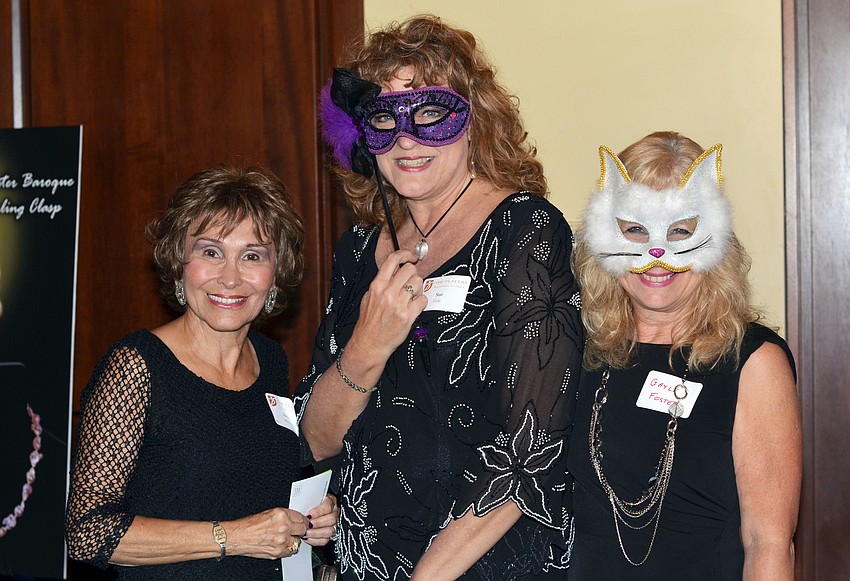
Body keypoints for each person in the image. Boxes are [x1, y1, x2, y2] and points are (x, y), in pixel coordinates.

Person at [296, 14, 583, 581]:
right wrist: (367, 347)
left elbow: (530, 457)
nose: (406, 139)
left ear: (476, 120)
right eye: (383, 117)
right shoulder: (359, 247)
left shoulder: (524, 230)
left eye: (429, 114)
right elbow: (316, 437)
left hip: (478, 564)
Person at [65, 165, 339, 580]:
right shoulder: (136, 367)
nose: (230, 278)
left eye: (252, 255)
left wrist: (311, 516)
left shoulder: (270, 359)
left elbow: (246, 480)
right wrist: (234, 537)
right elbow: (87, 533)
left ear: (275, 274)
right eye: (211, 252)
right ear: (179, 262)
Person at [566, 131, 802, 579]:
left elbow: (768, 542)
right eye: (634, 230)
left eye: (681, 231)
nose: (657, 256)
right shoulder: (581, 350)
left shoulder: (753, 361)